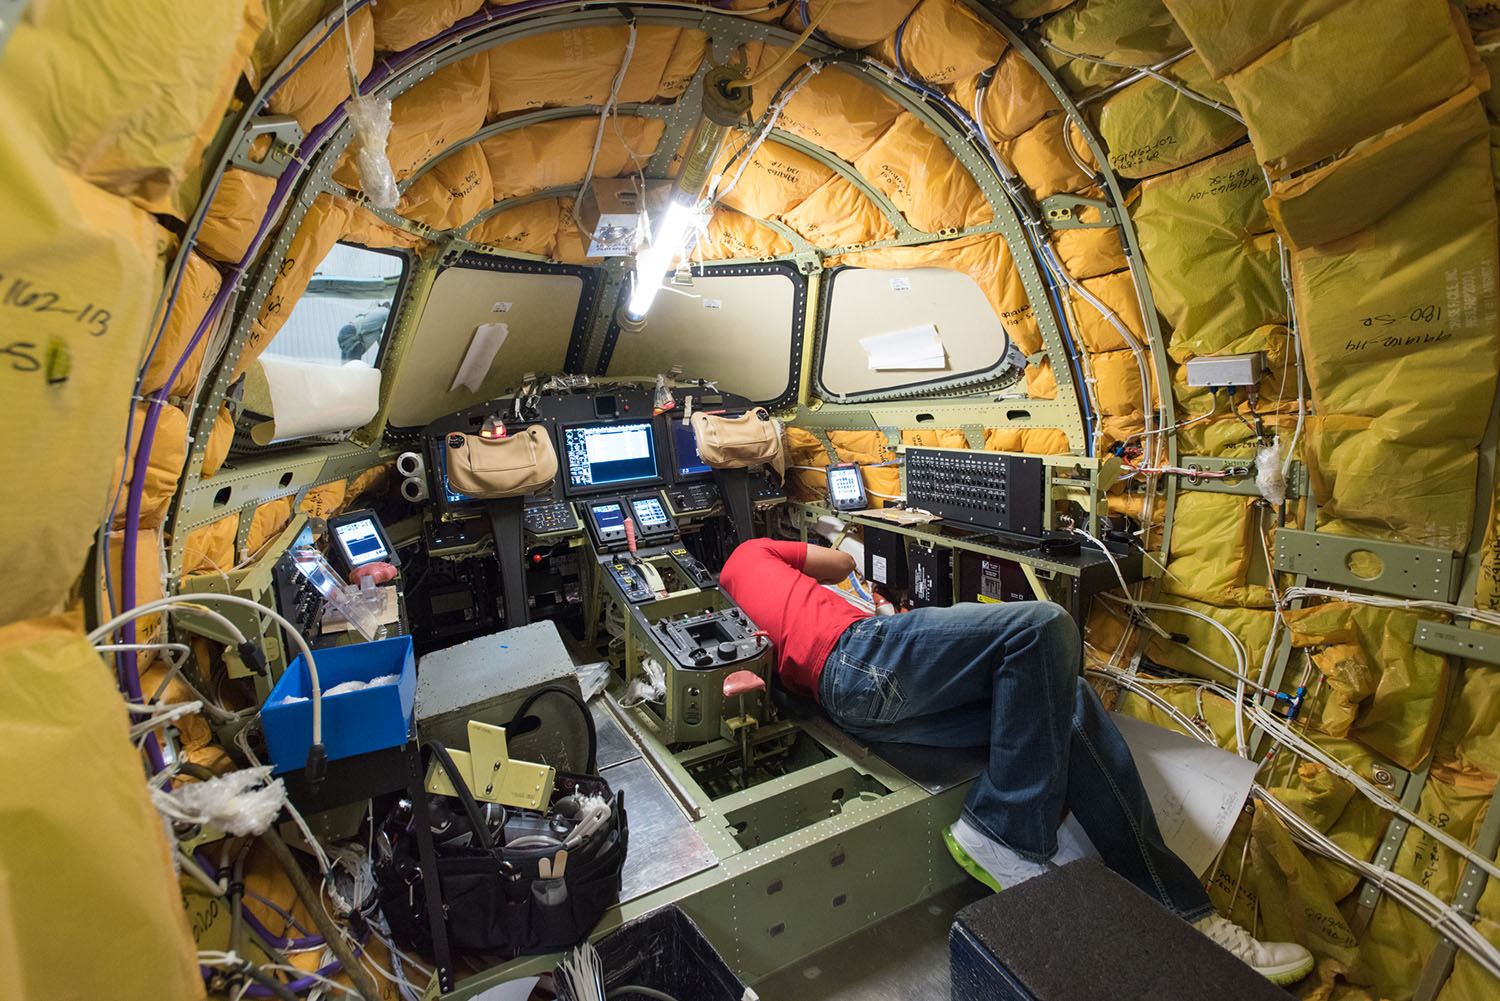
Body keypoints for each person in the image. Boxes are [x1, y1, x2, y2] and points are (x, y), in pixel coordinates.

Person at [718, 538, 1314, 985]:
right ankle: (1004, 829)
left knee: (1068, 699)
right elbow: (844, 564)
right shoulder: (750, 551)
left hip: (850, 704)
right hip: (861, 653)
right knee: (1043, 628)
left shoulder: (727, 610)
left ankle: (1188, 914)